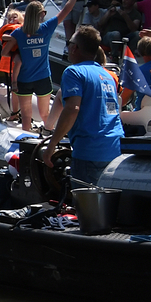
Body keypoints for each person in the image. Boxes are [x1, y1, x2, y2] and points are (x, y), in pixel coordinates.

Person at [43, 26, 123, 186]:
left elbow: (72, 109)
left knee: (85, 200)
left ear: (75, 48)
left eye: (69, 43)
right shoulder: (107, 75)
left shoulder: (73, 72)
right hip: (115, 149)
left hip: (89, 152)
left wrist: (52, 144)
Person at [11, 0, 80, 130]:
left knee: (26, 116)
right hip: (43, 77)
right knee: (45, 114)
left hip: (24, 78)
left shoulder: (18, 33)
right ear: (41, 14)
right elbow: (66, 9)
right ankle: (50, 136)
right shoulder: (47, 28)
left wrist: (16, 54)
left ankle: (26, 139)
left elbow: (5, 48)